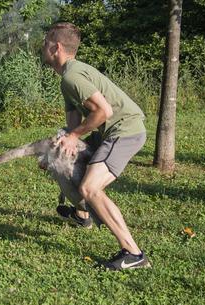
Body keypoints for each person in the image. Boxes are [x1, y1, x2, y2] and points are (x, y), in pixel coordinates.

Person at [41, 22, 150, 270]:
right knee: (78, 168)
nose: (42, 46)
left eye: (46, 42)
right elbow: (72, 129)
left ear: (56, 47)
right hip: (112, 132)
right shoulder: (67, 78)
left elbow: (104, 111)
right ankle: (82, 215)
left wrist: (74, 135)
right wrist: (55, 151)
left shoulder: (72, 76)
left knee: (90, 188)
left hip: (124, 130)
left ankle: (133, 253)